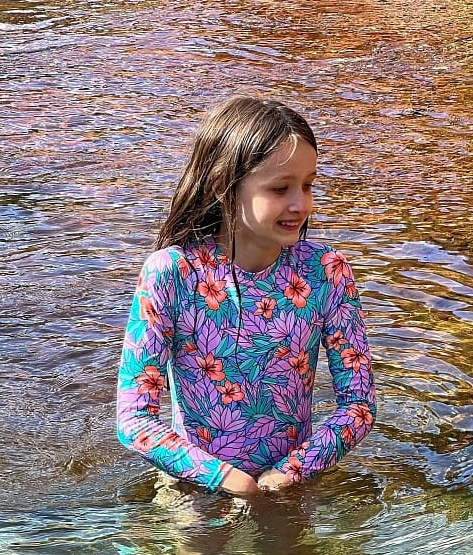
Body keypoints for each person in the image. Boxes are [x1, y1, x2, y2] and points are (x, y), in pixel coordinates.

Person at [115, 94, 377, 498]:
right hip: (194, 484)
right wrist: (224, 479)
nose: (300, 204)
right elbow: (135, 420)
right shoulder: (172, 274)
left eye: (308, 185)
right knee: (187, 542)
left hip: (290, 482)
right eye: (280, 188)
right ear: (224, 186)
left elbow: (358, 405)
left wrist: (290, 473)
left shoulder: (325, 271)